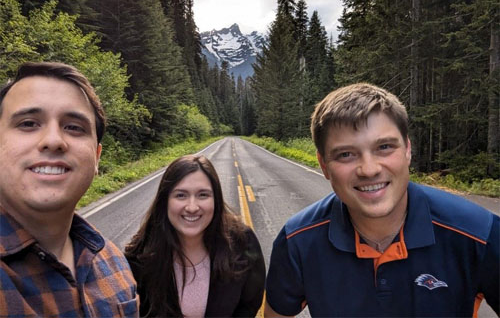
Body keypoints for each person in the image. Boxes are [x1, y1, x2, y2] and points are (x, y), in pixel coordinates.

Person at [265, 83, 499, 317]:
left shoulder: (479, 234)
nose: (368, 169)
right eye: (346, 154)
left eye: (384, 147)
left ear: (407, 150)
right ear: (324, 165)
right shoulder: (297, 242)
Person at [0, 62, 139, 317]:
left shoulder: (115, 263)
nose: (53, 141)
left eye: (74, 127)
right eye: (29, 123)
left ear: (97, 157)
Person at [125, 154, 266, 317]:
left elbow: (249, 305)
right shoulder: (139, 256)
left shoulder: (243, 243)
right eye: (181, 195)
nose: (192, 207)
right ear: (165, 201)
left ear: (216, 200)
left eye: (203, 195)